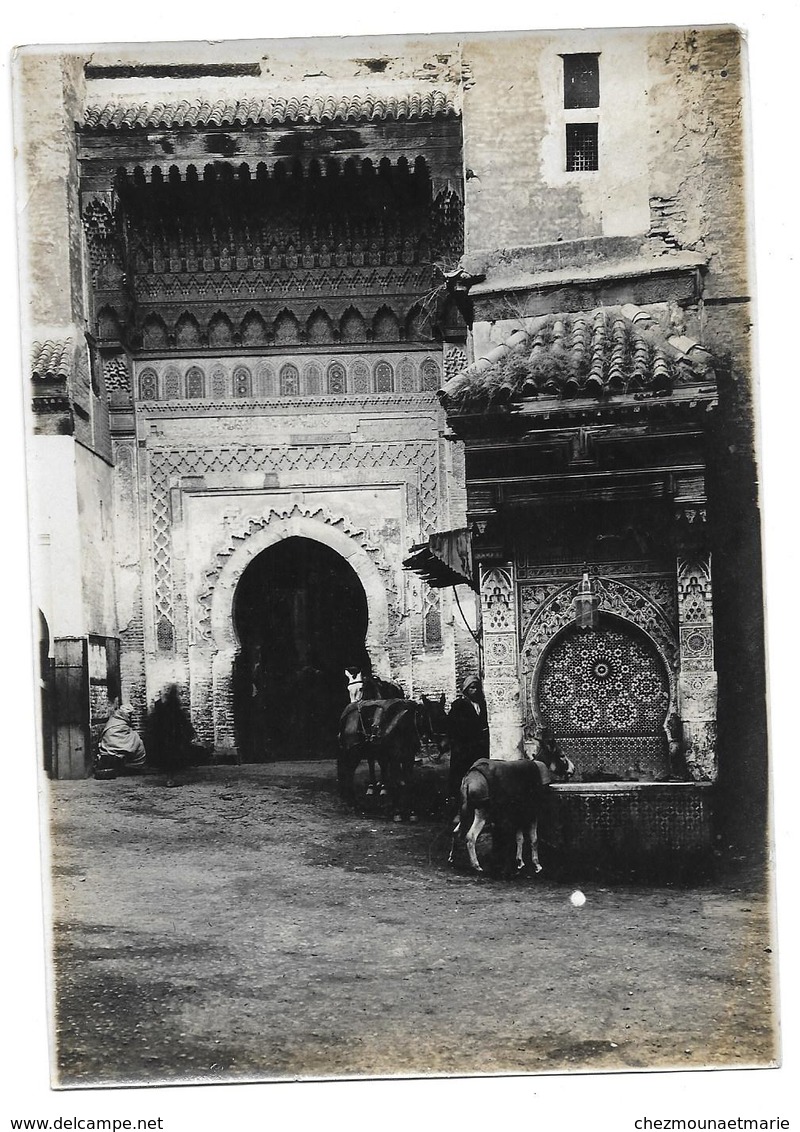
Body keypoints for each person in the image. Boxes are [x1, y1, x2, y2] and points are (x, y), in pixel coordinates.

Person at [447, 675, 490, 804]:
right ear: (466, 690)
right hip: (463, 748)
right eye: (471, 688)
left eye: (477, 688)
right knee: (461, 775)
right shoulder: (459, 705)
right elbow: (453, 727)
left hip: (479, 747)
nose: (475, 691)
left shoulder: (482, 705)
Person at [144, 685, 195, 787]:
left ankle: (170, 777)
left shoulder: (172, 709)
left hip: (171, 736)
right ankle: (170, 777)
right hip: (167, 736)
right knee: (169, 757)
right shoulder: (165, 708)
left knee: (171, 758)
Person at [95, 703, 146, 777]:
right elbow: (117, 735)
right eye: (129, 714)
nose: (130, 716)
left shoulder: (116, 719)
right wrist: (135, 736)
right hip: (112, 745)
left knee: (136, 739)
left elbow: (124, 734)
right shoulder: (117, 721)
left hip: (110, 746)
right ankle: (133, 765)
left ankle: (132, 764)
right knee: (137, 740)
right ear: (123, 713)